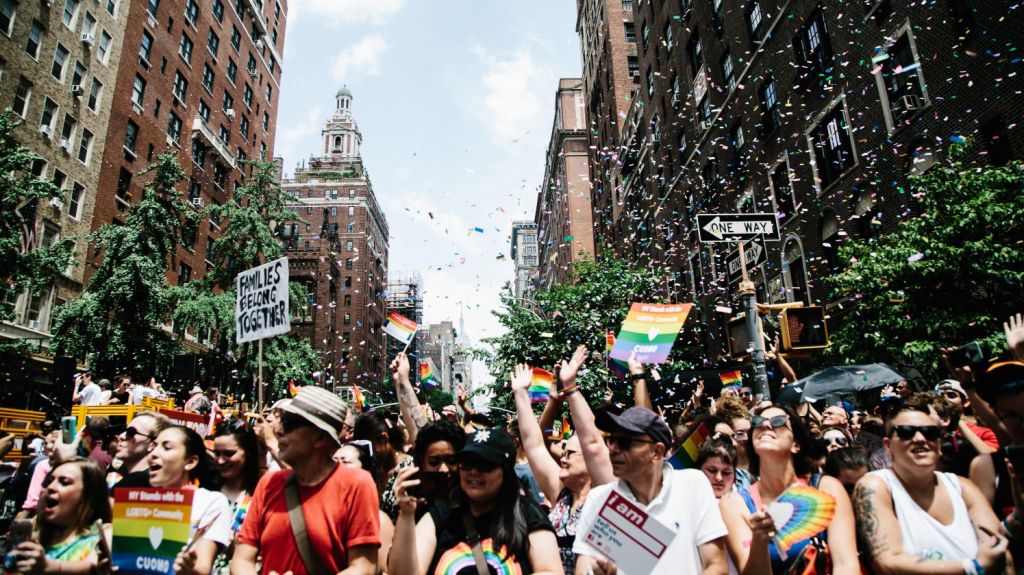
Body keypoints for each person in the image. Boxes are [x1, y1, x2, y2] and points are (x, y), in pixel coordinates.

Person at [233, 386, 380, 575]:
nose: (278, 430)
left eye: (288, 422)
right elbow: (242, 558)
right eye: (279, 421)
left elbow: (363, 567)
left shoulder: (357, 484)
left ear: (319, 436)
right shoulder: (268, 484)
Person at [853, 402, 1006, 574]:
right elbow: (888, 561)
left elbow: (996, 548)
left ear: (939, 443)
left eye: (930, 432)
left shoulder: (962, 487)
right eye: (906, 432)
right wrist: (971, 567)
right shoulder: (877, 486)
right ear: (888, 445)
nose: (920, 438)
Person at [574, 406, 729, 575]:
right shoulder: (599, 499)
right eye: (611, 440)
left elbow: (716, 566)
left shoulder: (693, 484)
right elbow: (583, 568)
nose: (613, 449)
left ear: (657, 452)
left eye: (625, 443)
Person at [389, 427, 561, 575]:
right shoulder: (441, 514)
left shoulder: (527, 513)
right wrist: (406, 513)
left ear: (506, 471)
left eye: (485, 464)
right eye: (466, 463)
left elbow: (551, 571)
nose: (474, 471)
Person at [719, 405, 859, 575]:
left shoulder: (827, 488)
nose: (765, 426)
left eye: (778, 422)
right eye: (757, 422)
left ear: (796, 444)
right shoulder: (734, 504)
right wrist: (759, 542)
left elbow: (846, 565)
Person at [511, 360, 603, 575]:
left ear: (591, 460)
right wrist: (521, 395)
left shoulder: (606, 497)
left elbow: (593, 441)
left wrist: (570, 386)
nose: (562, 458)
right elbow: (534, 446)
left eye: (570, 454)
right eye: (564, 452)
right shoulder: (561, 495)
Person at [149, 426, 232, 575]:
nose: (154, 454)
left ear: (191, 461)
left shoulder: (211, 502)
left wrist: (188, 568)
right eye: (153, 447)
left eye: (167, 448)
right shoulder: (137, 500)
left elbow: (202, 566)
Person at [6, 458, 112, 574]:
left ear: (89, 495)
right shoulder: (34, 539)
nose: (51, 487)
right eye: (49, 481)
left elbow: (92, 565)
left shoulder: (102, 535)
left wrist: (50, 567)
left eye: (64, 482)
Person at [337, 441, 395, 573]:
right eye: (334, 461)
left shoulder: (379, 520)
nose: (337, 467)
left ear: (365, 472)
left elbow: (388, 571)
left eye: (345, 462)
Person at [211, 422, 261, 575]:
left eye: (228, 453)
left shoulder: (261, 494)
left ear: (248, 453)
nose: (220, 460)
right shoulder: (207, 490)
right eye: (217, 453)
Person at [355, 411, 413, 522]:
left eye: (368, 447)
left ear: (384, 438)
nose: (364, 453)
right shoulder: (372, 470)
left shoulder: (409, 469)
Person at [107, 410, 170, 488]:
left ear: (152, 445)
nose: (121, 436)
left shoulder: (144, 486)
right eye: (125, 430)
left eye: (131, 432)